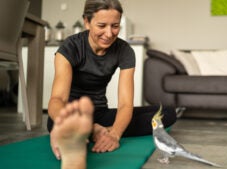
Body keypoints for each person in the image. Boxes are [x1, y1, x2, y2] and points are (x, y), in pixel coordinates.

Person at [47, 0, 177, 167]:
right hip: (72, 113)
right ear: (87, 22)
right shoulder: (70, 47)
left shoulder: (125, 51)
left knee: (167, 113)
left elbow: (125, 104)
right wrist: (62, 122)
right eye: (102, 25)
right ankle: (82, 129)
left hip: (101, 114)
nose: (109, 33)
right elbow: (57, 99)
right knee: (53, 120)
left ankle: (89, 131)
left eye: (115, 26)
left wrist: (115, 133)